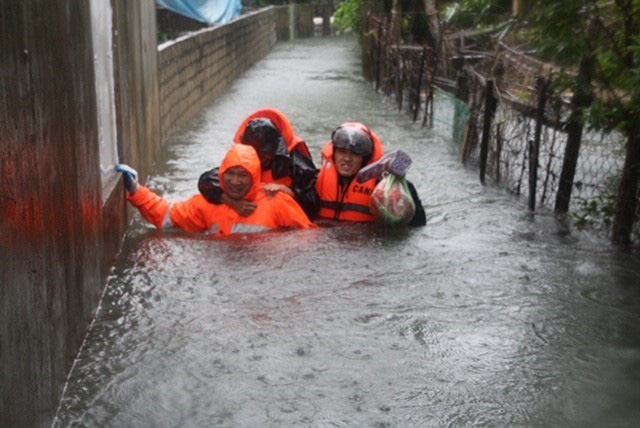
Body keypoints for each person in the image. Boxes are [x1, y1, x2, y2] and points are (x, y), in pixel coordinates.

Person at [115, 144, 314, 236]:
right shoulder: (205, 204)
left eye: (243, 175)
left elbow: (307, 239)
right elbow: (165, 215)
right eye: (230, 173)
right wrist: (135, 189)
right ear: (221, 174)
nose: (235, 181)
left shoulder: (276, 201)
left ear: (254, 177)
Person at [197, 108, 320, 219]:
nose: (259, 158)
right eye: (253, 152)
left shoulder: (295, 164)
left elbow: (313, 205)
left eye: (264, 153)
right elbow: (206, 181)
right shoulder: (243, 159)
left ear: (276, 148)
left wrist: (290, 192)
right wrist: (231, 201)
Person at [314, 121, 426, 226]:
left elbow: (418, 224)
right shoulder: (315, 180)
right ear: (334, 154)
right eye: (342, 152)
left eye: (354, 154)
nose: (347, 158)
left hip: (365, 242)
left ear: (365, 158)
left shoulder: (382, 187)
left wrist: (400, 181)